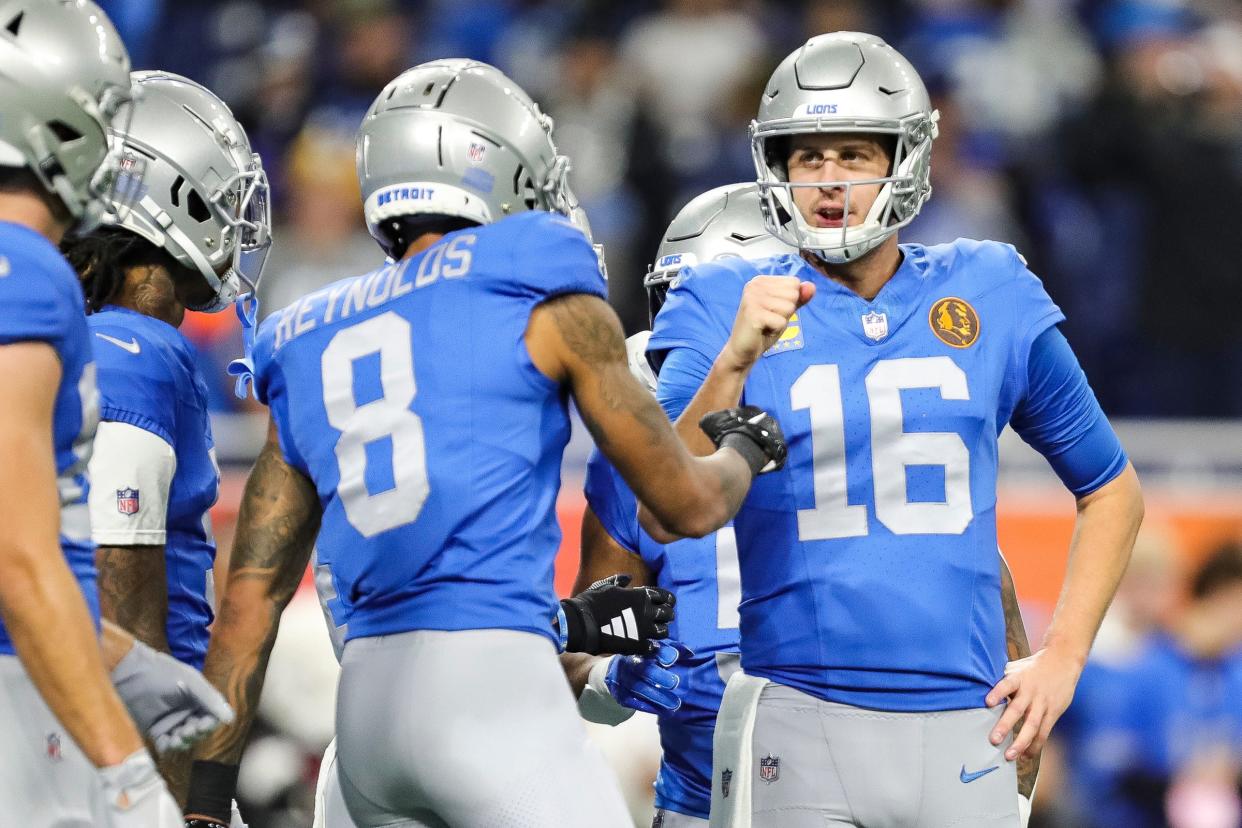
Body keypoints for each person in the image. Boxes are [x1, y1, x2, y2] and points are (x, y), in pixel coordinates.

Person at [184, 59, 790, 828]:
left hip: (364, 718)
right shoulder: (532, 278)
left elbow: (247, 606)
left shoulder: (306, 331)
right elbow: (687, 503)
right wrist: (743, 446)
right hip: (492, 694)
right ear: (498, 165)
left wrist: (204, 807)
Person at [647, 32, 1144, 827]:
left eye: (852, 152)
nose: (831, 180)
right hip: (800, 712)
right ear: (776, 168)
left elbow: (1111, 488)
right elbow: (665, 507)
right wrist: (733, 363)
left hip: (965, 720)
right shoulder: (722, 296)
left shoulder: (990, 287)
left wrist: (1065, 657)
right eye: (807, 158)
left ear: (904, 156)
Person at [576, 181, 1041, 827]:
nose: (686, 344)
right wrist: (606, 682)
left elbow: (1005, 642)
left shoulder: (866, 431)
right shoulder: (632, 464)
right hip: (695, 804)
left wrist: (1005, 800)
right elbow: (580, 643)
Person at [0, 1, 195, 824]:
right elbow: (17, 551)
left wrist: (116, 652)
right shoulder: (27, 269)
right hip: (24, 696)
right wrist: (125, 769)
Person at [60, 69, 271, 800]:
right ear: (173, 190)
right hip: (103, 745)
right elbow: (122, 582)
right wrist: (165, 788)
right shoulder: (135, 350)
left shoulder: (61, 338)